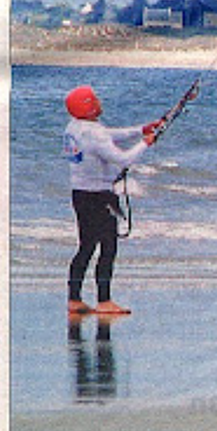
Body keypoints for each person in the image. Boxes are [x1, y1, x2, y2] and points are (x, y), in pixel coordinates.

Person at [63, 85, 162, 316]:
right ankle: (104, 301)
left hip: (80, 194)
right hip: (99, 196)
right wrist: (145, 143)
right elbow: (123, 159)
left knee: (86, 246)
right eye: (94, 100)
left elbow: (108, 135)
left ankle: (74, 299)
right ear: (88, 107)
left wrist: (141, 130)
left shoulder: (74, 128)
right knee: (108, 246)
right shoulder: (94, 134)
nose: (99, 102)